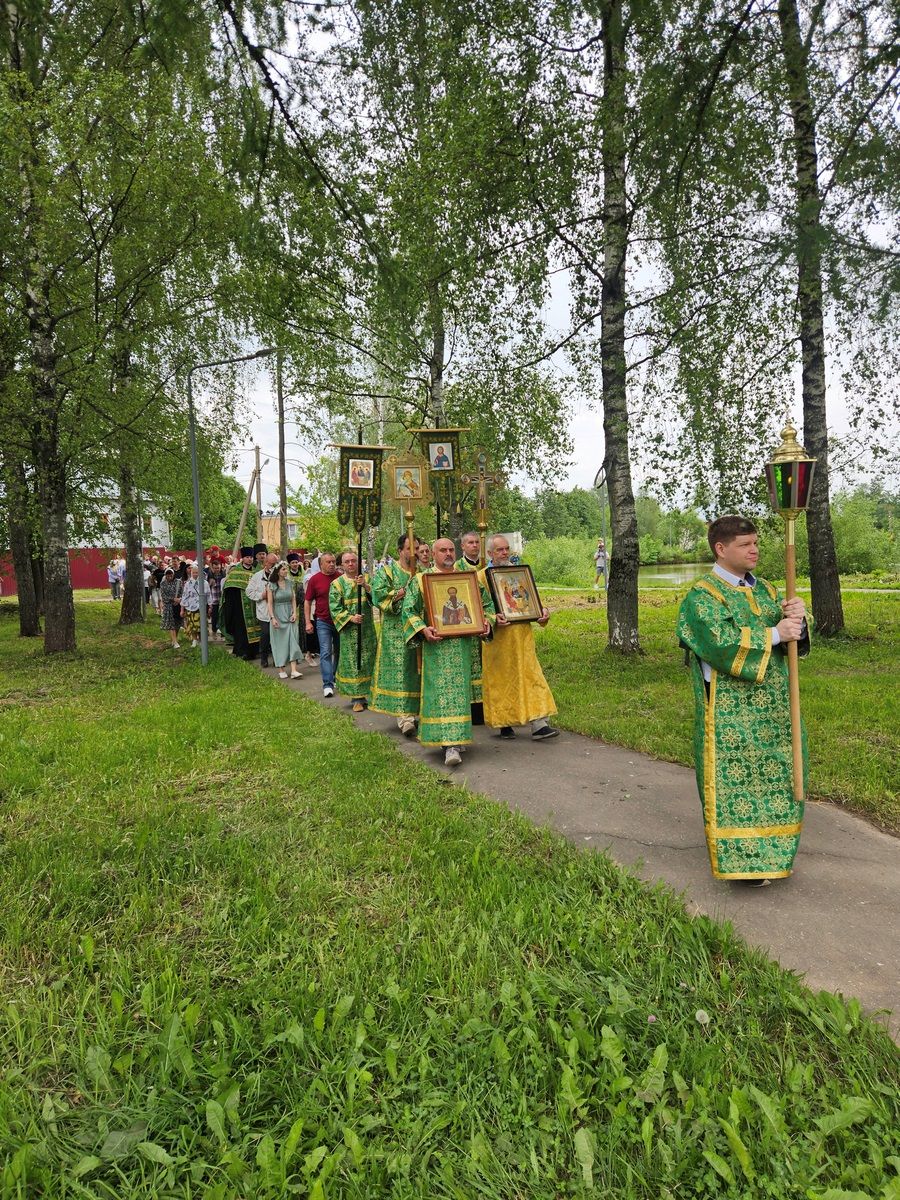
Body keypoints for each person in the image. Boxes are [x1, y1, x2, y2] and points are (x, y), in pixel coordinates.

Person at [676, 514, 810, 887]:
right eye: (745, 544)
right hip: (730, 712)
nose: (754, 550)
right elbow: (719, 643)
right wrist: (776, 634)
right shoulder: (703, 596)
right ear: (721, 549)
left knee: (779, 778)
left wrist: (798, 619)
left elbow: (792, 634)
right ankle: (744, 862)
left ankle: (777, 854)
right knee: (737, 786)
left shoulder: (767, 589)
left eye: (756, 543)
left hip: (776, 708)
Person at [402, 537, 494, 768]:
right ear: (433, 554)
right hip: (437, 649)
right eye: (443, 550)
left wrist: (487, 622)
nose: (448, 553)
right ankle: (448, 743)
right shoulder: (421, 580)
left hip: (463, 648)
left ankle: (456, 740)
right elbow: (409, 611)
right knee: (441, 693)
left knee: (460, 695)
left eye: (451, 549)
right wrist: (423, 629)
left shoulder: (467, 579)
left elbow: (487, 606)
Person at [481, 535, 560, 741]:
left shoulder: (519, 573)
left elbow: (531, 600)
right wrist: (493, 618)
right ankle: (504, 723)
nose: (505, 553)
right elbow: (477, 609)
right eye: (500, 550)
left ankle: (539, 723)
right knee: (502, 681)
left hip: (523, 636)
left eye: (507, 549)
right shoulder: (482, 577)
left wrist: (542, 612)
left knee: (532, 676)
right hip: (498, 640)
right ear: (489, 553)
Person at [370, 534, 421, 736]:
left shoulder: (422, 572)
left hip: (418, 629)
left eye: (416, 549)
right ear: (400, 551)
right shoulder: (387, 572)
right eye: (409, 549)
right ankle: (405, 718)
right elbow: (378, 596)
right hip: (396, 632)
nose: (414, 553)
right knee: (401, 674)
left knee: (417, 672)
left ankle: (417, 712)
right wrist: (402, 592)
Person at [329, 550, 376, 711]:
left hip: (367, 629)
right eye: (347, 561)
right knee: (354, 663)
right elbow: (335, 608)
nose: (351, 564)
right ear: (342, 565)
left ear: (358, 562)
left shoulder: (367, 579)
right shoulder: (337, 584)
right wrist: (350, 618)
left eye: (353, 561)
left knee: (368, 661)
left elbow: (377, 599)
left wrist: (366, 586)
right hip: (349, 631)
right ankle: (357, 698)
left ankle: (370, 693)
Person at [304, 551, 340, 697]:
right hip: (323, 621)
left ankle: (335, 677)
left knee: (339, 651)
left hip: (340, 621)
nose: (332, 564)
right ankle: (327, 684)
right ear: (321, 564)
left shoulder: (340, 577)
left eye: (333, 562)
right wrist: (308, 622)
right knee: (325, 652)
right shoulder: (315, 580)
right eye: (328, 562)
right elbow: (307, 601)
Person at [219, 546, 260, 660]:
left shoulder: (256, 572)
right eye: (247, 557)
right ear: (243, 558)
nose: (249, 559)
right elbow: (229, 589)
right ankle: (242, 651)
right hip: (240, 607)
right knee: (241, 629)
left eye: (251, 557)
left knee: (255, 628)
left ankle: (253, 651)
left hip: (255, 606)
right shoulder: (236, 571)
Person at [266, 561, 303, 679]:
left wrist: (294, 613)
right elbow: (269, 603)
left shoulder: (290, 583)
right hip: (277, 614)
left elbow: (293, 599)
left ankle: (293, 670)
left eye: (286, 569)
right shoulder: (271, 585)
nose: (286, 571)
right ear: (277, 571)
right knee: (280, 643)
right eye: (283, 569)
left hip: (289, 615)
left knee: (293, 640)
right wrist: (272, 618)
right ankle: (281, 667)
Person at [246, 551, 279, 668]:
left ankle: (277, 658)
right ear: (265, 563)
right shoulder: (257, 576)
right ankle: (264, 658)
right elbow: (249, 592)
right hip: (264, 612)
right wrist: (261, 595)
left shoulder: (280, 576)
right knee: (265, 634)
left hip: (277, 611)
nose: (274, 567)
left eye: (276, 564)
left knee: (277, 636)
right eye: (272, 564)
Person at [179, 563, 203, 647]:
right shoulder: (187, 584)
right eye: (194, 572)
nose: (195, 574)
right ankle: (194, 640)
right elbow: (184, 596)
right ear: (191, 573)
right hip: (190, 607)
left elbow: (208, 595)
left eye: (197, 572)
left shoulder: (204, 583)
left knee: (200, 624)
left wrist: (210, 606)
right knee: (192, 624)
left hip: (200, 607)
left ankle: (201, 640)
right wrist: (182, 610)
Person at [159, 567, 181, 648]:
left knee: (177, 623)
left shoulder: (178, 582)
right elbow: (163, 596)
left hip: (177, 605)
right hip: (168, 606)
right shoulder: (163, 584)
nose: (169, 577)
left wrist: (179, 599)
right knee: (171, 624)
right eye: (167, 575)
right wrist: (172, 599)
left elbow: (182, 592)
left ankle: (174, 639)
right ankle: (175, 642)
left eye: (171, 575)